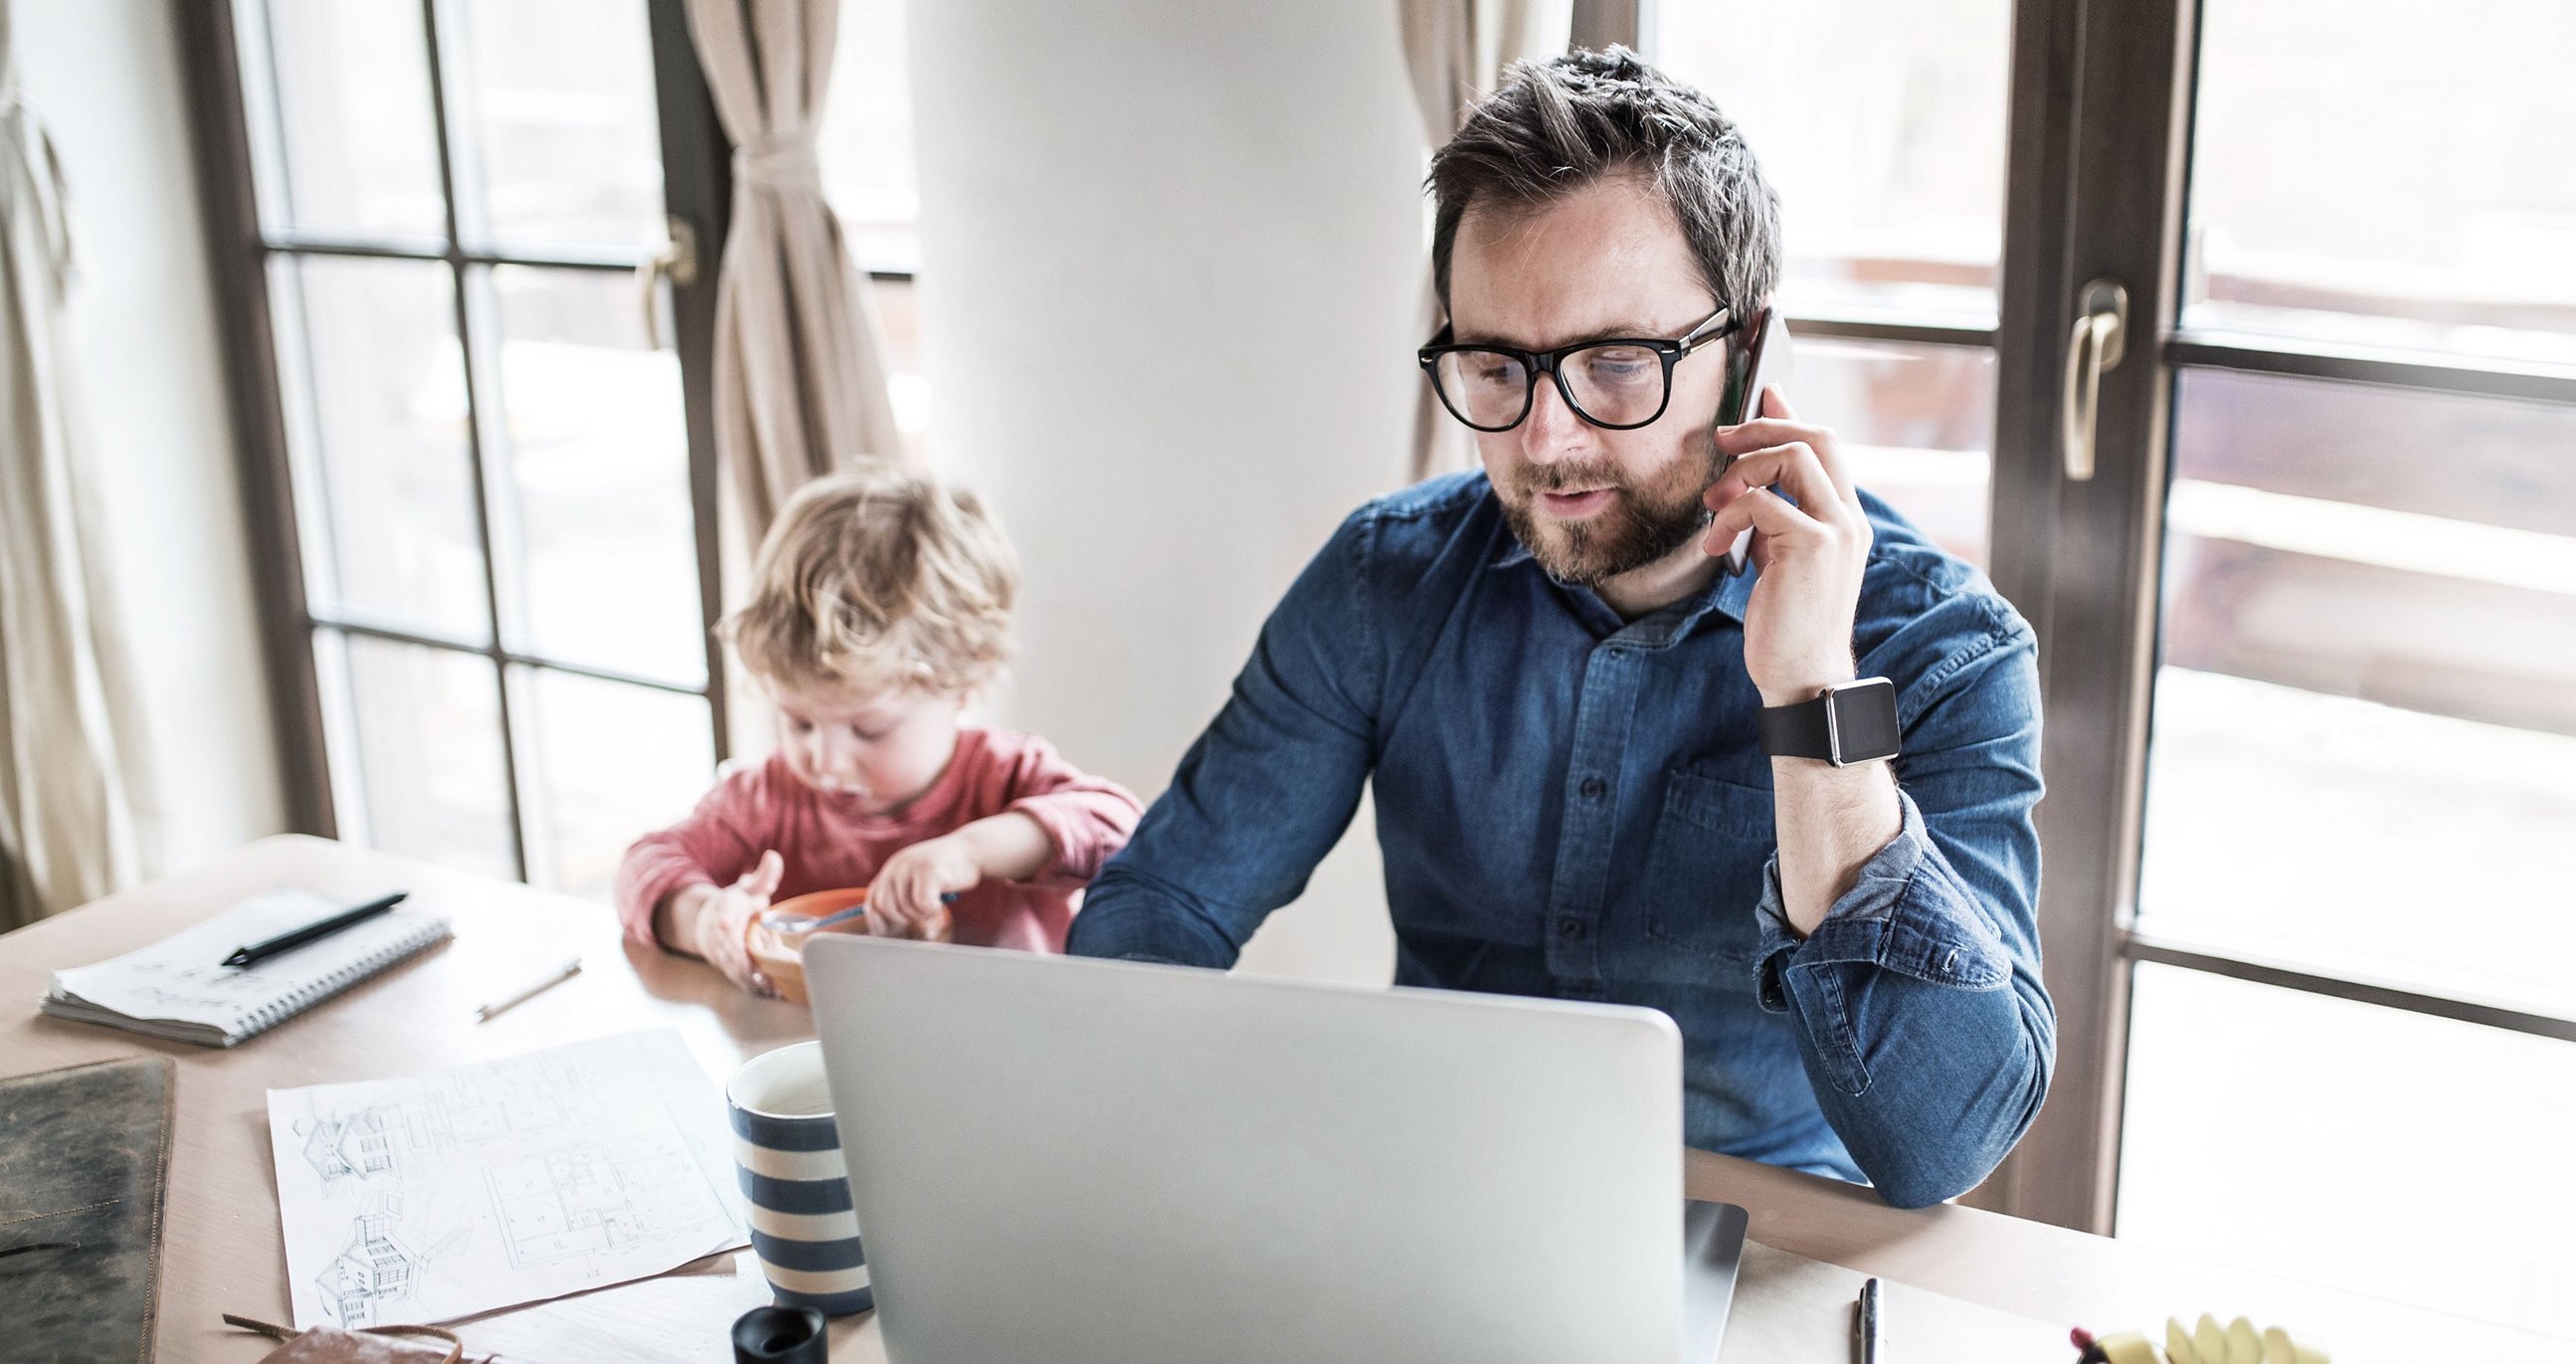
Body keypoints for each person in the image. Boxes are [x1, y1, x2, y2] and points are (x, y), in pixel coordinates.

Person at [1068, 48, 2050, 1208]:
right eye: (1495, 367)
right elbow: (1167, 907)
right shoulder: (1385, 583)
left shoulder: (1942, 649)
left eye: (1617, 365)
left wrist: (1809, 693)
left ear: (1745, 354)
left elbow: (1945, 1142)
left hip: (1761, 1237)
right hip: (1427, 1202)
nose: (1543, 442)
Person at [618, 464, 1144, 997]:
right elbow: (644, 867)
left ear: (962, 685)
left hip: (1011, 1051)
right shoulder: (769, 800)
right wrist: (706, 920)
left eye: (869, 729)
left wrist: (970, 851)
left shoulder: (1003, 777)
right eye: (799, 722)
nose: (825, 759)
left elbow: (1121, 828)